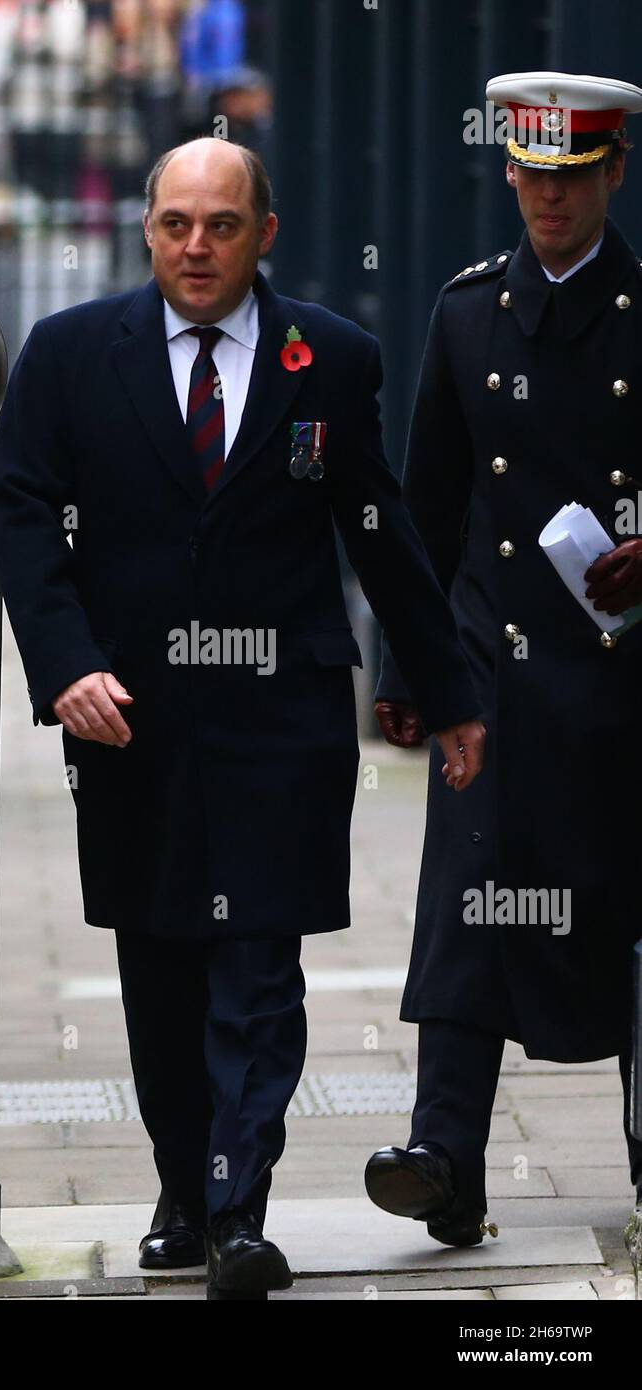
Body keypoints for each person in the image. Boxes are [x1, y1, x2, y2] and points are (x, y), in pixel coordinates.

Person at [0, 136, 484, 1299]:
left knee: (259, 970)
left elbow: (381, 532)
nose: (195, 246)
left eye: (220, 224)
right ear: (146, 230)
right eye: (174, 223)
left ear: (264, 232)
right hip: (131, 723)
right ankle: (180, 1186)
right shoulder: (68, 358)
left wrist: (448, 693)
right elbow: (19, 512)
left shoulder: (333, 357)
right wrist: (64, 665)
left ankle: (236, 1209)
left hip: (280, 723)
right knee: (160, 974)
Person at [366, 71, 642, 1247]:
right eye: (531, 175)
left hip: (625, 680)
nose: (548, 199)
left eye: (571, 178)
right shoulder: (465, 311)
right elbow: (421, 506)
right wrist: (401, 671)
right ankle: (444, 1159)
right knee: (467, 907)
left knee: (628, 924)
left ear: (609, 175)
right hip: (493, 668)